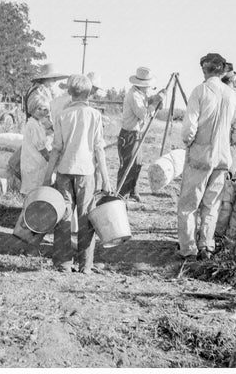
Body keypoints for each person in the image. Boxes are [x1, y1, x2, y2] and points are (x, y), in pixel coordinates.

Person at [176, 53, 236, 261]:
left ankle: (188, 249)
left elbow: (189, 127)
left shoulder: (200, 91)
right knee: (211, 205)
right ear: (222, 70)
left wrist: (190, 143)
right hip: (223, 158)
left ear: (204, 70)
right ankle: (206, 246)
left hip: (200, 155)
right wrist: (230, 146)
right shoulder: (232, 95)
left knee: (189, 205)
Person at [43, 74, 112, 274]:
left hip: (65, 171)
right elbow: (99, 149)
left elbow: (56, 148)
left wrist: (48, 176)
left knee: (63, 217)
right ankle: (85, 265)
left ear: (70, 93)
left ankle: (63, 264)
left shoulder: (62, 115)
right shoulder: (94, 115)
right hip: (86, 173)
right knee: (86, 218)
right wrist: (106, 179)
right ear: (89, 93)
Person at [117, 67, 165, 202]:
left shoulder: (140, 93)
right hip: (129, 135)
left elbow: (147, 100)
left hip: (137, 133)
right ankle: (121, 196)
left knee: (137, 164)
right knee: (127, 166)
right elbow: (143, 114)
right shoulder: (133, 95)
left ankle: (133, 191)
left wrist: (155, 98)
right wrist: (155, 104)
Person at [13, 92, 52, 242]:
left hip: (36, 166)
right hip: (33, 166)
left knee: (34, 197)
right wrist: (52, 160)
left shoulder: (37, 124)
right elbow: (41, 147)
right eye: (39, 109)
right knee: (32, 198)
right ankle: (24, 230)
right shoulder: (33, 125)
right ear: (32, 109)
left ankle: (28, 229)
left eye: (45, 109)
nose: (43, 112)